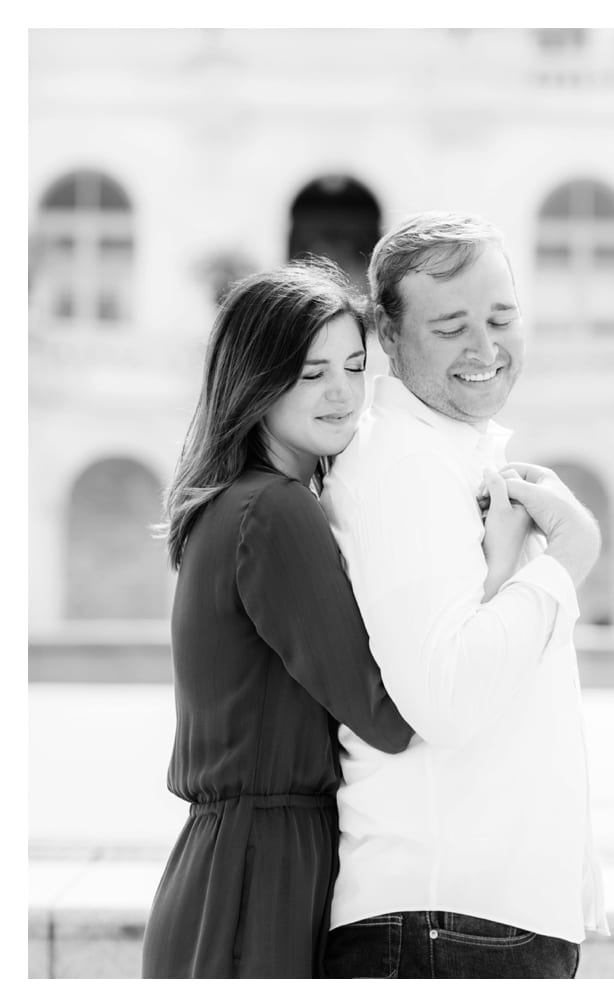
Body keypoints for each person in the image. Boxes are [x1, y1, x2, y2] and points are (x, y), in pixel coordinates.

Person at [319, 212, 607, 979]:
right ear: (387, 332)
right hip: (445, 923)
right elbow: (444, 698)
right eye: (451, 327)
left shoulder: (448, 454)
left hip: (470, 918)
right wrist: (567, 560)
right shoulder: (404, 466)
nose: (486, 349)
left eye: (502, 317)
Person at [142, 261, 415, 978]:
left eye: (355, 368)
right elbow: (386, 714)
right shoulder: (275, 510)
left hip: (230, 863)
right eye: (310, 370)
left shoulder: (235, 503)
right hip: (259, 878)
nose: (342, 393)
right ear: (256, 379)